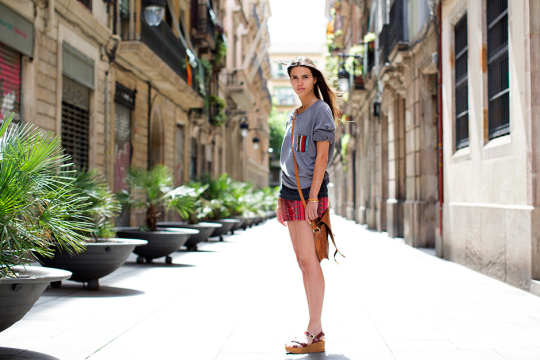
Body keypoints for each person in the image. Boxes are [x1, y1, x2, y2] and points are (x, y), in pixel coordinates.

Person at [275, 56, 340, 354]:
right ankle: (314, 327)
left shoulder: (320, 111)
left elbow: (322, 158)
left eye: (304, 77)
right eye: (294, 77)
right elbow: (287, 158)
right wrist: (280, 198)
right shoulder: (294, 114)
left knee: (310, 261)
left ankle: (315, 331)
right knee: (302, 261)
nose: (299, 82)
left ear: (314, 79)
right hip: (289, 194)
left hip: (308, 195)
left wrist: (314, 197)